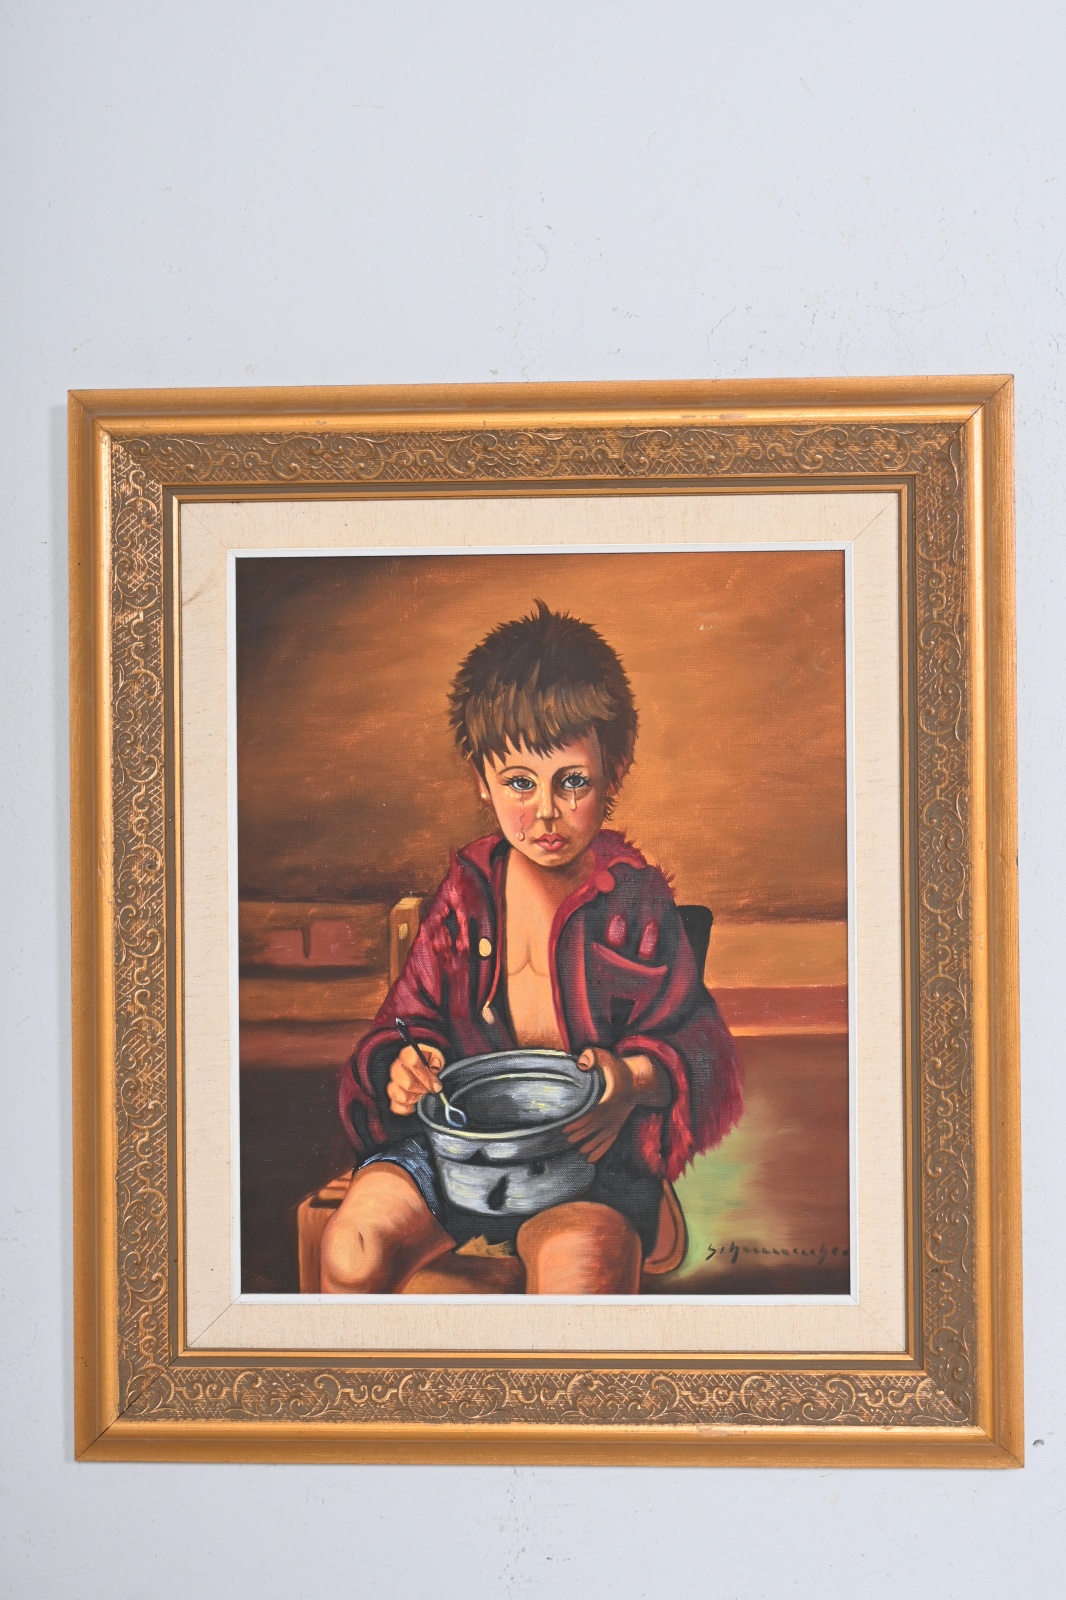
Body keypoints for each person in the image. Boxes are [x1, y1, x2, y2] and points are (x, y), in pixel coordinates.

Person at [322, 600, 742, 1294]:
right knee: (353, 1250)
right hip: (458, 1152)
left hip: (588, 1157)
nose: (545, 812)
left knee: (581, 1271)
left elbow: (701, 1049)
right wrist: (403, 1066)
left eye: (571, 781)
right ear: (481, 781)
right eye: (519, 782)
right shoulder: (465, 895)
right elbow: (401, 1025)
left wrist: (629, 1081)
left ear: (615, 772)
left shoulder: (635, 900)